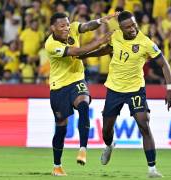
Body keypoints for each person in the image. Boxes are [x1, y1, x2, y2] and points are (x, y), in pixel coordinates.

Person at [80, 11, 171, 178]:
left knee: (144, 124)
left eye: (133, 25)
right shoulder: (115, 36)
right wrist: (85, 55)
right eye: (127, 27)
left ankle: (152, 169)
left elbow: (164, 64)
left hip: (135, 89)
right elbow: (106, 49)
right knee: (107, 131)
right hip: (114, 89)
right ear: (121, 28)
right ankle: (109, 145)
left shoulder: (145, 43)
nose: (132, 29)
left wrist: (169, 89)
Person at [45, 12, 116, 176]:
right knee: (61, 128)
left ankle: (83, 149)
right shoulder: (50, 45)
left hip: (77, 80)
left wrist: (99, 21)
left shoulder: (72, 29)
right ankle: (57, 166)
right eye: (62, 26)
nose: (66, 28)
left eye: (67, 24)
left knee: (84, 105)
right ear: (53, 28)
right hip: (59, 87)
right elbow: (79, 50)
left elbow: (86, 26)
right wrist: (100, 41)